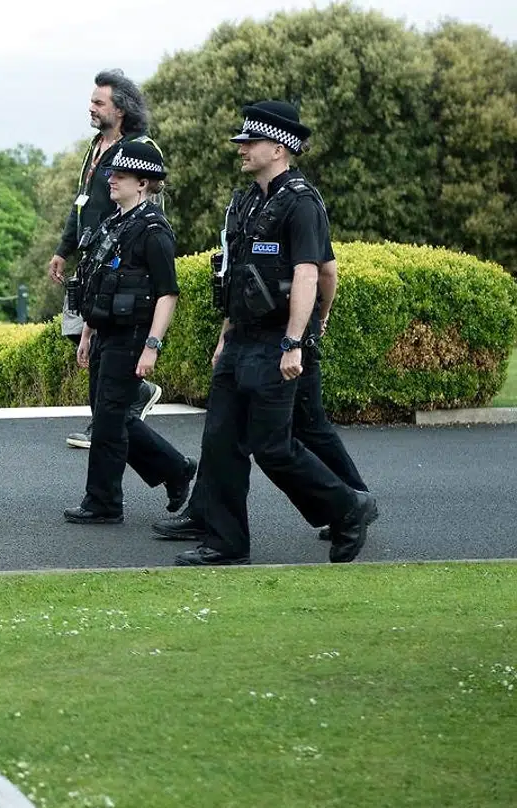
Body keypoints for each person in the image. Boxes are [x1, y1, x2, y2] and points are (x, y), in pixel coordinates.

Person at [174, 101, 377, 566]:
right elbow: (239, 278)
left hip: (275, 341)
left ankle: (349, 508)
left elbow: (313, 272)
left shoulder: (301, 203)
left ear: (279, 149)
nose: (241, 149)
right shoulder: (247, 201)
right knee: (221, 443)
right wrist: (225, 335)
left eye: (251, 142)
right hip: (240, 338)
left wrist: (296, 340)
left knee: (272, 447)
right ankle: (226, 543)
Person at [153, 259, 375, 543]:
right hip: (251, 339)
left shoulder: (298, 227)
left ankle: (352, 503)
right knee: (223, 435)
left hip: (286, 344)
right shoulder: (242, 227)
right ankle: (208, 516)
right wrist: (225, 338)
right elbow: (240, 284)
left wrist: (313, 324)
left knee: (298, 434)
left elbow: (325, 272)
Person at [62, 142, 197, 525]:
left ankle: (103, 503)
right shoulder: (113, 225)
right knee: (111, 414)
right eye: (111, 174)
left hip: (132, 336)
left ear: (143, 183)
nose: (112, 180)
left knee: (109, 420)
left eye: (120, 175)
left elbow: (167, 293)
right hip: (105, 334)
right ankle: (176, 468)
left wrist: (152, 345)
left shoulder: (153, 230)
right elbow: (98, 284)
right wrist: (87, 332)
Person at [46, 69, 164, 450]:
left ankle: (104, 421)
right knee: (78, 331)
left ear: (121, 109)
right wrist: (63, 250)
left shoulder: (139, 148)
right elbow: (80, 203)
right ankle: (137, 394)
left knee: (103, 345)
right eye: (92, 101)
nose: (92, 107)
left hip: (119, 262)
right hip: (91, 258)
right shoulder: (95, 146)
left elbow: (151, 208)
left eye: (99, 102)